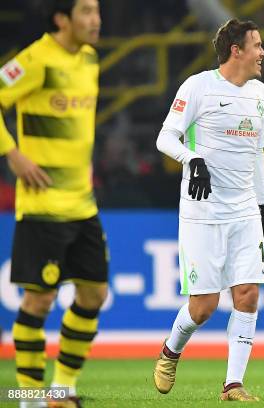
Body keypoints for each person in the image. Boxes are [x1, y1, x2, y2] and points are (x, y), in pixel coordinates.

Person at [154, 18, 264, 402]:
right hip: (202, 213)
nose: (263, 53)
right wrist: (193, 160)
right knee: (203, 307)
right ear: (236, 50)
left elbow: (257, 152)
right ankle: (171, 350)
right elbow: (165, 137)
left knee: (248, 295)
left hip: (244, 211)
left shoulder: (259, 92)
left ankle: (233, 384)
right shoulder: (199, 86)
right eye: (257, 45)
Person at [0, 1, 105, 407]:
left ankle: (61, 392)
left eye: (97, 11)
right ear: (63, 19)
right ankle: (28, 398)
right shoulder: (36, 60)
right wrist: (14, 154)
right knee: (39, 300)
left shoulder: (91, 60)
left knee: (94, 295)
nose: (96, 20)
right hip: (43, 206)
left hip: (84, 204)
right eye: (86, 12)